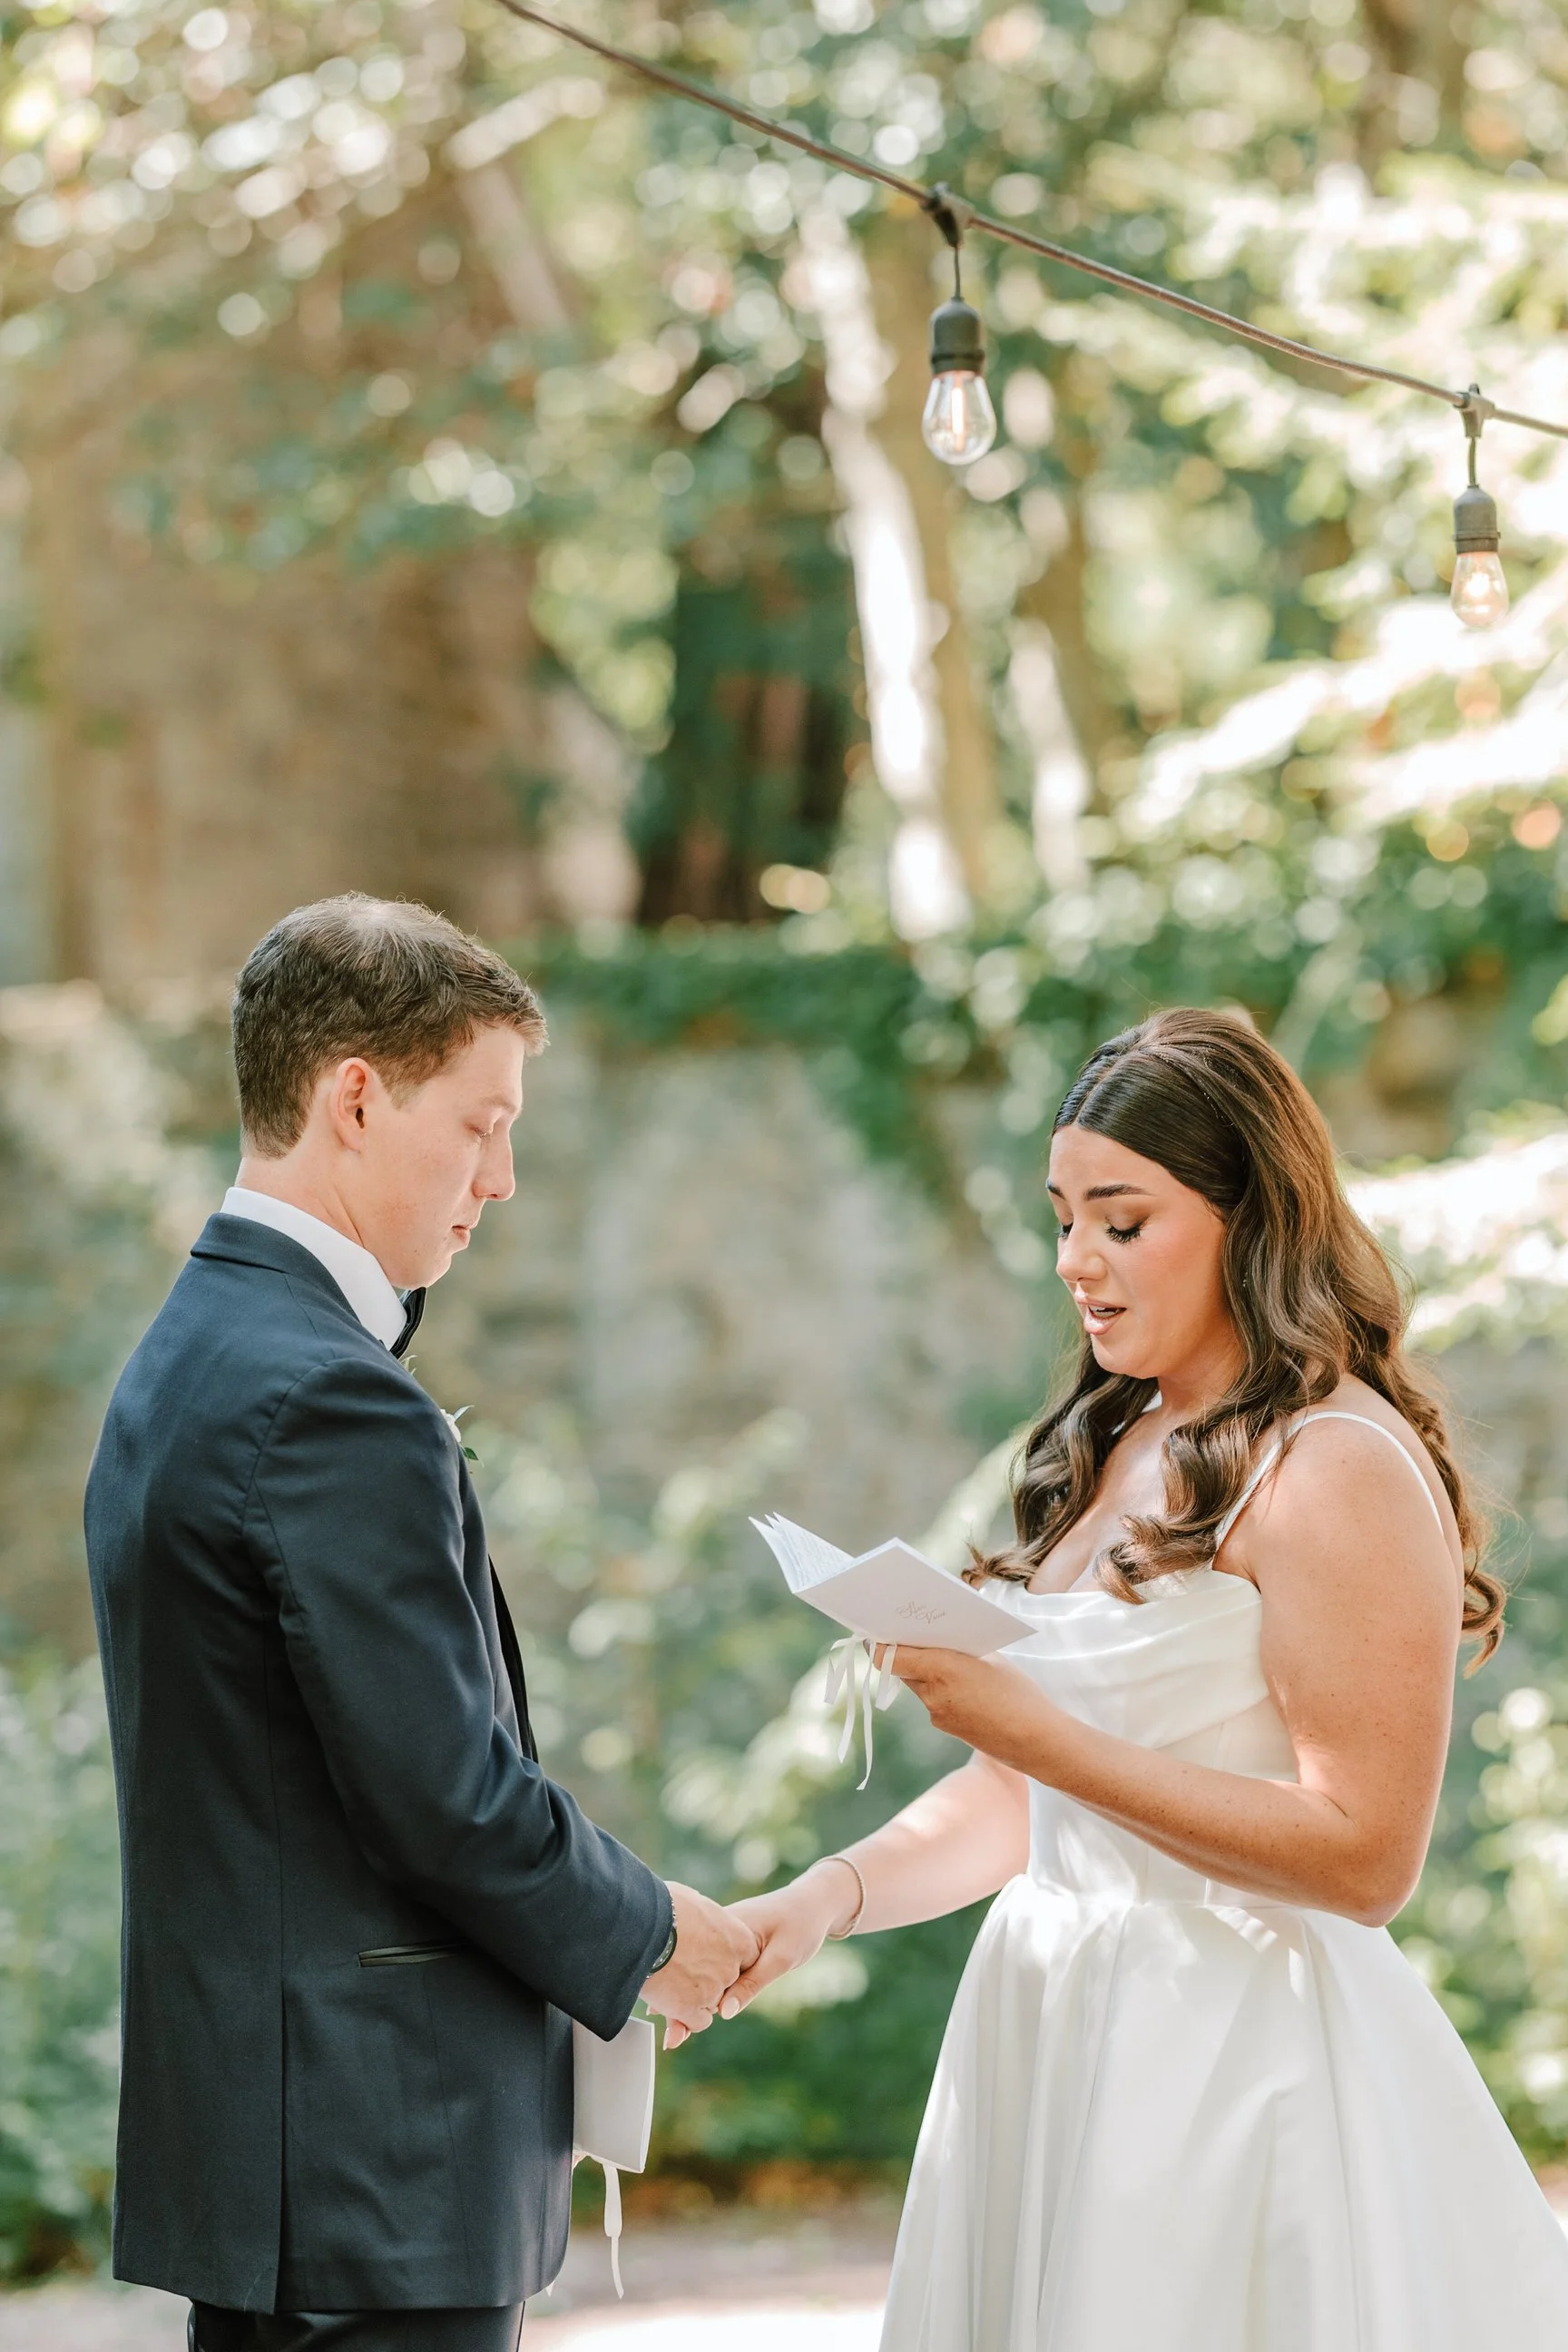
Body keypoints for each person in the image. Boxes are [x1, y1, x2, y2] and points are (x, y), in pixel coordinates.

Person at [718, 1007, 1568, 2349]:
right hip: (1050, 2021)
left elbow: (1364, 1857)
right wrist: (821, 1903)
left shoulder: (1332, 1466)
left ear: (1251, 1215)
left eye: (1123, 1221)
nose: (1077, 1261)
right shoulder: (1121, 1437)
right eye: (1062, 1220)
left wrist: (1035, 1737)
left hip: (1229, 2061)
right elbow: (1018, 1806)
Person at [84, 896, 756, 2352]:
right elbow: (443, 1797)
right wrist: (653, 1935)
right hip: (372, 2170)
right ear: (355, 1099)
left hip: (283, 2168)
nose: (501, 1177)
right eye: (480, 1123)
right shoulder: (330, 1398)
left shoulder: (190, 1354)